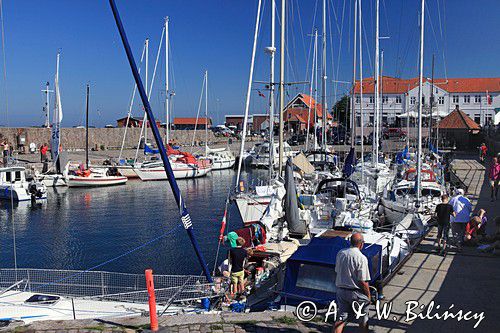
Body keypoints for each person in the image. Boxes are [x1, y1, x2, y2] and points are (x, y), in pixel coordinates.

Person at [334, 233, 371, 333]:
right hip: (356, 292)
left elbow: (337, 270)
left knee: (341, 318)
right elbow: (363, 281)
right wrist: (368, 296)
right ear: (361, 244)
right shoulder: (361, 258)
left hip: (341, 290)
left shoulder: (341, 253)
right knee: (363, 318)